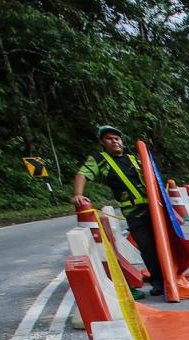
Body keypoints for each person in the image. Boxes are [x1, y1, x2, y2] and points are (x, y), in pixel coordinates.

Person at [70, 125, 164, 299]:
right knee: (147, 246)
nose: (114, 142)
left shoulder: (133, 159)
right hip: (134, 211)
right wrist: (78, 194)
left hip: (154, 208)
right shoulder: (100, 159)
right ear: (102, 142)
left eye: (117, 138)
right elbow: (82, 174)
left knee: (164, 243)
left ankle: (170, 277)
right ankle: (158, 281)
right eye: (109, 139)